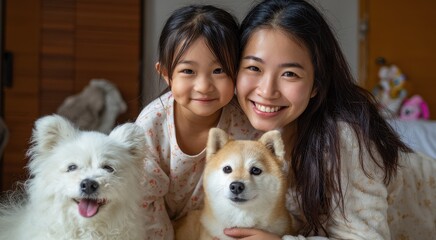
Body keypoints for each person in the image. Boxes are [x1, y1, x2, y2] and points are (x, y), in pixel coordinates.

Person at [224, 0, 436, 239]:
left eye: (289, 74)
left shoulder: (343, 138)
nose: (267, 90)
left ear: (316, 85)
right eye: (254, 68)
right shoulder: (234, 120)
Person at [135, 4, 260, 239]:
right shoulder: (152, 126)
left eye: (219, 70)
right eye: (188, 71)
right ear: (165, 73)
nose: (204, 86)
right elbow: (146, 204)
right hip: (164, 228)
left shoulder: (245, 123)